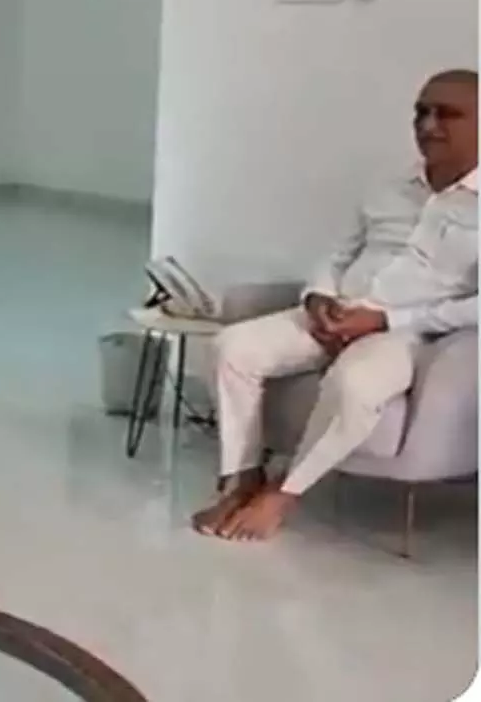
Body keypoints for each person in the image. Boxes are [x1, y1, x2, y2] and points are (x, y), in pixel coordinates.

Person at [193, 69, 478, 542]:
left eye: (447, 114)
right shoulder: (390, 187)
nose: (428, 125)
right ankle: (241, 479)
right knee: (231, 348)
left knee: (356, 385)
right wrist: (317, 295)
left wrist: (385, 319)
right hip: (336, 313)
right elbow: (338, 254)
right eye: (421, 112)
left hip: (405, 333)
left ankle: (283, 495)